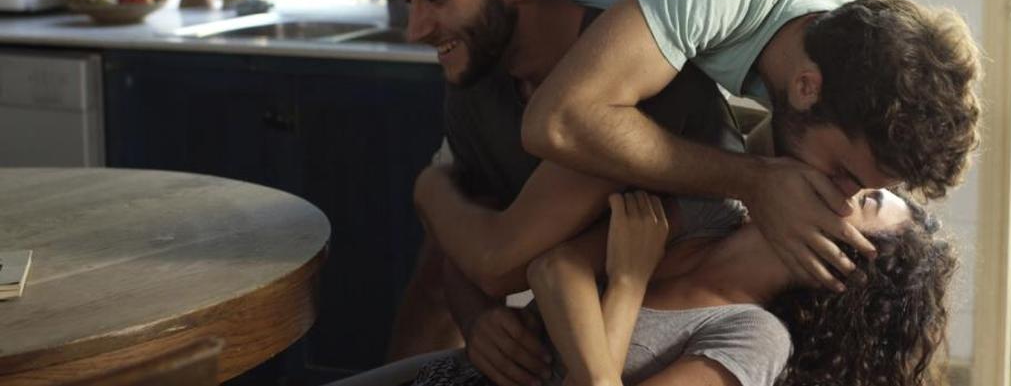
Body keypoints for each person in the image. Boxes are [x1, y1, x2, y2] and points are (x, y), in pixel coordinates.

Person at [370, 0, 760, 380]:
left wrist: (427, 189)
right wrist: (477, 318)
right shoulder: (477, 75)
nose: (416, 29)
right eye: (409, 0)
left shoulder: (629, 76)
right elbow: (463, 228)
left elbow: (498, 261)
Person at [516, 0, 982, 291]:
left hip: (608, 71)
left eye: (866, 191)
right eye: (843, 174)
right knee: (500, 263)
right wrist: (753, 182)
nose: (842, 201)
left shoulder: (871, 45)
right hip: (519, 46)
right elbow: (557, 121)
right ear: (806, 86)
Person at [343, 187, 955, 386]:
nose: (846, 186)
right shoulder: (715, 211)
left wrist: (630, 276)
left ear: (847, 267)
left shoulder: (754, 338)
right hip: (442, 374)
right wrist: (480, 325)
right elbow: (553, 267)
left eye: (867, 201)